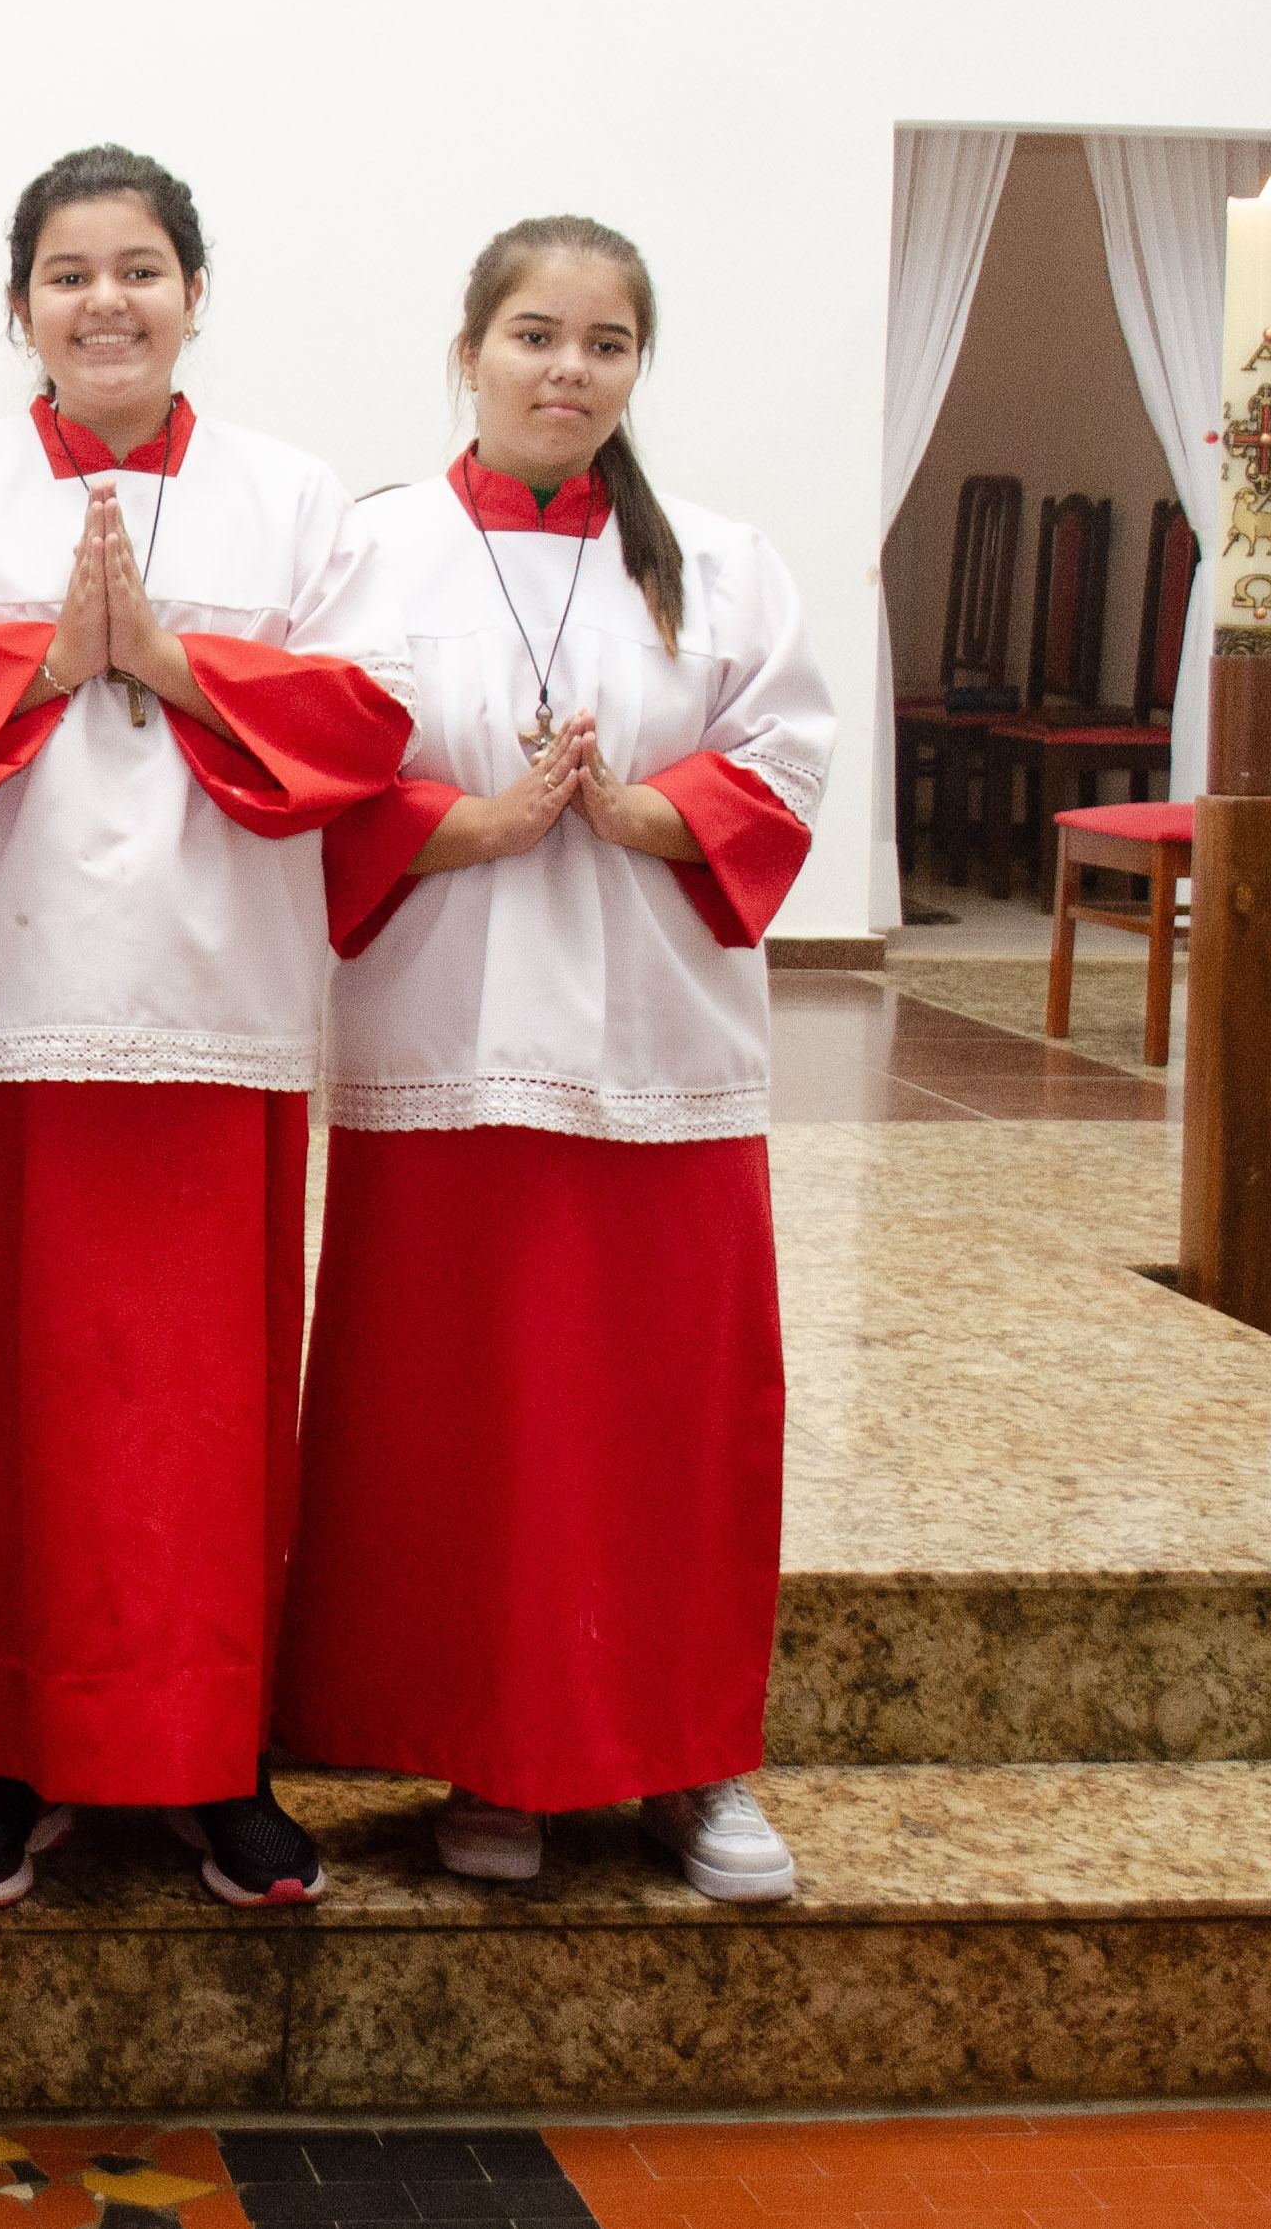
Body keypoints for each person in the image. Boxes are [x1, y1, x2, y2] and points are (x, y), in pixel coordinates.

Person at [0, 145, 408, 1913]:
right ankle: (5, 1758)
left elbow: (364, 721)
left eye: (139, 269)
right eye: (67, 274)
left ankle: (217, 1765)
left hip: (205, 1028)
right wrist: (46, 662)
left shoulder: (297, 503)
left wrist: (171, 661)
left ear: (195, 293)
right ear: (17, 309)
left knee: (201, 1423)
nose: (105, 303)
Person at [281, 215, 831, 1903]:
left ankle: (690, 1764)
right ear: (467, 351)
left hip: (655, 1062)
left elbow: (789, 759)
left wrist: (634, 811)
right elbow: (306, 779)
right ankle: (490, 1761)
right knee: (472, 1433)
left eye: (601, 343)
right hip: (448, 1057)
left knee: (671, 1427)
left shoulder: (721, 564)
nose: (564, 369)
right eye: (532, 335)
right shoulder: (368, 555)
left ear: (632, 369)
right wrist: (475, 825)